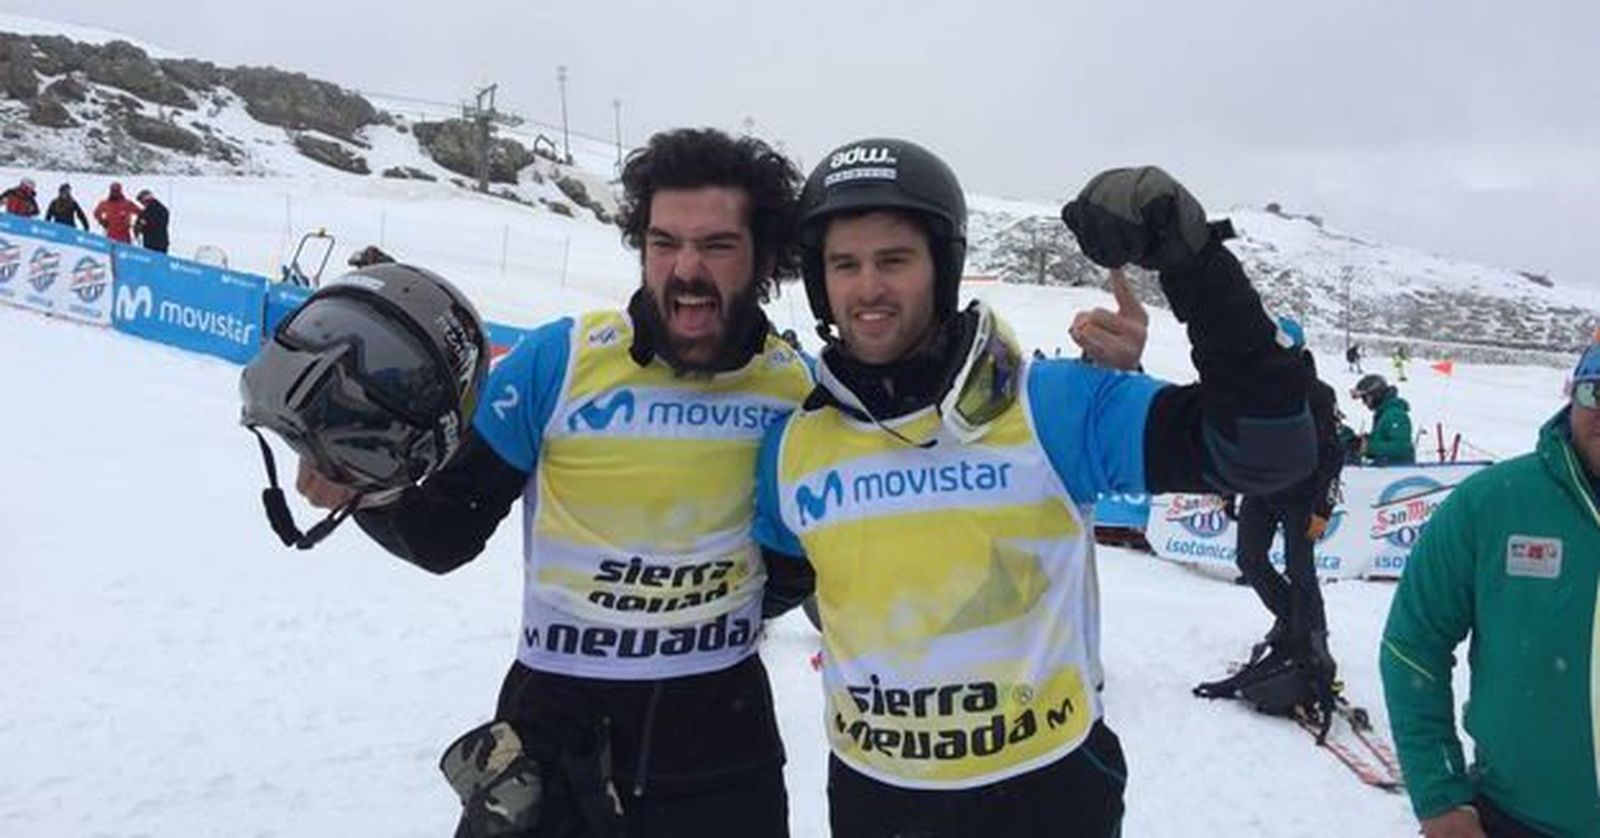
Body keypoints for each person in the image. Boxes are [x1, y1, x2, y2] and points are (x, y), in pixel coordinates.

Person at [752, 139, 1314, 836]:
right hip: (878, 801)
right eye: (845, 264)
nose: (868, 287)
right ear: (820, 282)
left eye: (894, 260)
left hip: (1046, 796)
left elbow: (1265, 448)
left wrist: (1196, 267)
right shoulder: (793, 448)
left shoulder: (1051, 406)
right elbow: (751, 596)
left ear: (942, 268)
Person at [295, 128, 812, 837]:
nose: (685, 269)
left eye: (717, 246)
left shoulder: (794, 391)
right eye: (663, 243)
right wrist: (359, 483)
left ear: (763, 258)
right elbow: (441, 532)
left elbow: (795, 570)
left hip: (721, 752)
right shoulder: (559, 362)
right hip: (554, 743)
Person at [1380, 335, 1600, 837]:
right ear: (1572, 395)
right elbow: (1413, 646)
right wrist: (1439, 799)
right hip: (1519, 820)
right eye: (1597, 392)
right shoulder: (1493, 503)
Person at [1198, 321, 1345, 713]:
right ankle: (1292, 623)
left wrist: (1322, 508)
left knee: (1302, 571)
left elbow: (1334, 453)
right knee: (1249, 560)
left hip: (1301, 499)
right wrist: (1227, 487)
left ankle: (1314, 640)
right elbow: (1235, 443)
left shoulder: (1318, 394)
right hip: (1261, 492)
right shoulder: (1253, 388)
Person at [1351, 373, 1416, 464]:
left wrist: (1369, 447)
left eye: (1365, 398)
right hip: (1386, 468)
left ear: (1376, 394)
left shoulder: (1395, 414)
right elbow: (1384, 439)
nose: (1364, 403)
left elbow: (1401, 448)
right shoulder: (1384, 413)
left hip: (1397, 471)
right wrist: (1366, 441)